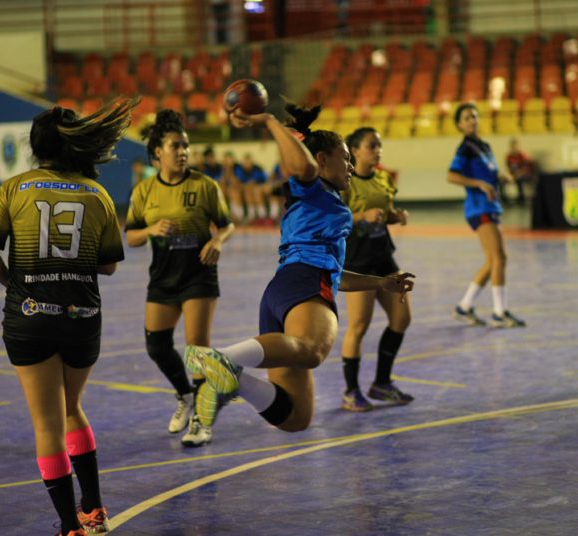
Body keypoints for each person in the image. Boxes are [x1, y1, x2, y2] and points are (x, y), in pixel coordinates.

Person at [182, 102, 415, 434]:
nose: (350, 165)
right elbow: (302, 167)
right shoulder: (312, 186)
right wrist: (268, 121)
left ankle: (233, 380)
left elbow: (336, 275)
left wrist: (381, 283)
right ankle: (222, 358)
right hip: (305, 284)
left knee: (296, 416)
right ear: (322, 160)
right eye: (346, 157)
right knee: (314, 349)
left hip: (284, 291)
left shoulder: (325, 201)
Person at [0, 98, 139, 536]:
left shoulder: (14, 188)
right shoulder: (98, 194)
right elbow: (107, 265)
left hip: (29, 316)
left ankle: (70, 525)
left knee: (46, 423)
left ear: (35, 147)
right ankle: (96, 509)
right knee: (72, 409)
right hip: (82, 316)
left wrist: (15, 283)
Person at [126, 109, 234, 447]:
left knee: (196, 351)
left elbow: (227, 223)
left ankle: (202, 423)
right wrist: (150, 229)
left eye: (186, 146)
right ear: (158, 151)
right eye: (176, 146)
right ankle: (185, 395)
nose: (183, 151)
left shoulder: (205, 185)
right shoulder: (144, 191)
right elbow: (130, 236)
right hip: (163, 277)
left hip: (198, 274)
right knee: (156, 346)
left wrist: (217, 239)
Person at [339, 126, 413, 412]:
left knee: (401, 317)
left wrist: (396, 216)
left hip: (384, 257)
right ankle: (350, 391)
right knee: (359, 326)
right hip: (358, 261)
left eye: (379, 145)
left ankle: (381, 383)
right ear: (355, 150)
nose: (377, 150)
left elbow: (384, 215)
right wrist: (361, 216)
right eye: (371, 145)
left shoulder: (383, 178)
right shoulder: (345, 182)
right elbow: (337, 220)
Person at [448, 103, 526, 328]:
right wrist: (479, 184)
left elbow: (489, 175)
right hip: (479, 208)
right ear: (460, 125)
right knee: (499, 258)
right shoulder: (465, 148)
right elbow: (452, 175)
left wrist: (503, 178)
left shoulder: (484, 146)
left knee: (493, 261)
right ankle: (499, 313)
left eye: (474, 116)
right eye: (466, 118)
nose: (472, 120)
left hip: (491, 207)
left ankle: (463, 307)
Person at [234, 153, 270, 224]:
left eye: (249, 161)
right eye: (245, 162)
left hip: (258, 189)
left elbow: (265, 181)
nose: (247, 163)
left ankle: (262, 216)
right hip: (246, 190)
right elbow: (238, 182)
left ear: (252, 162)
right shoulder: (239, 170)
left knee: (256, 191)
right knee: (240, 192)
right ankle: (247, 216)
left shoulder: (258, 169)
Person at [504, 138, 535, 205]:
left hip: (524, 175)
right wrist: (509, 175)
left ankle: (521, 199)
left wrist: (516, 175)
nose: (514, 148)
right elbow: (508, 168)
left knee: (519, 180)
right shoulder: (509, 156)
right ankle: (504, 199)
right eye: (513, 146)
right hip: (514, 175)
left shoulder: (522, 155)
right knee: (502, 180)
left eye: (515, 146)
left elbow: (525, 169)